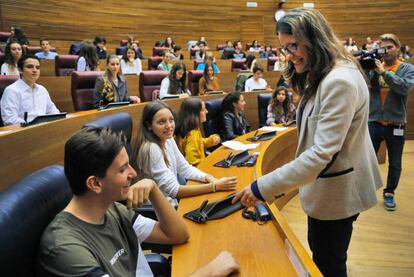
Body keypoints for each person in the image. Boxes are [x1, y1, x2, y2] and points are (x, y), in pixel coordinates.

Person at [233, 8, 382, 277]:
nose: (289, 56)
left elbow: (320, 155)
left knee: (328, 264)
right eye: (284, 49)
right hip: (333, 186)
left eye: (294, 46)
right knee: (326, 256)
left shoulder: (339, 81)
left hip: (337, 192)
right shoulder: (328, 70)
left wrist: (261, 187)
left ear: (316, 40)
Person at [37, 126, 240, 276]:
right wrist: (210, 272)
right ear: (95, 184)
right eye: (123, 169)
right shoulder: (64, 247)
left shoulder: (112, 210)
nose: (133, 174)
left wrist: (152, 188)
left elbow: (177, 235)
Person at [134, 101, 238, 206]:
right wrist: (214, 186)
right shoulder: (150, 149)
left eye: (171, 120)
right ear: (149, 126)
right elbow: (175, 191)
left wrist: (208, 177)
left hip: (172, 204)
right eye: (161, 122)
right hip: (161, 211)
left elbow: (185, 168)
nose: (169, 126)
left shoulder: (168, 139)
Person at [368, 33, 414, 211]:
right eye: (383, 48)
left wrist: (384, 73)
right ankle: (368, 189)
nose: (386, 51)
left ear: (398, 49)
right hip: (373, 122)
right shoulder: (374, 68)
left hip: (396, 124)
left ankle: (389, 193)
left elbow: (403, 87)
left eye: (390, 47)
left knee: (395, 162)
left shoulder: (407, 69)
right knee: (368, 159)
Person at [1, 55, 60, 125]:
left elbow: (53, 111)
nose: (35, 70)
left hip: (44, 129)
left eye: (37, 68)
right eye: (30, 67)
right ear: (20, 70)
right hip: (23, 132)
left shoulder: (42, 89)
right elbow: (9, 119)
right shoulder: (11, 91)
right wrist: (32, 125)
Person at [175, 97, 221, 165]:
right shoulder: (193, 133)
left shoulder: (190, 129)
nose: (207, 111)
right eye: (203, 110)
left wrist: (211, 140)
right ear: (194, 114)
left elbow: (198, 142)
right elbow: (193, 162)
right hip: (198, 172)